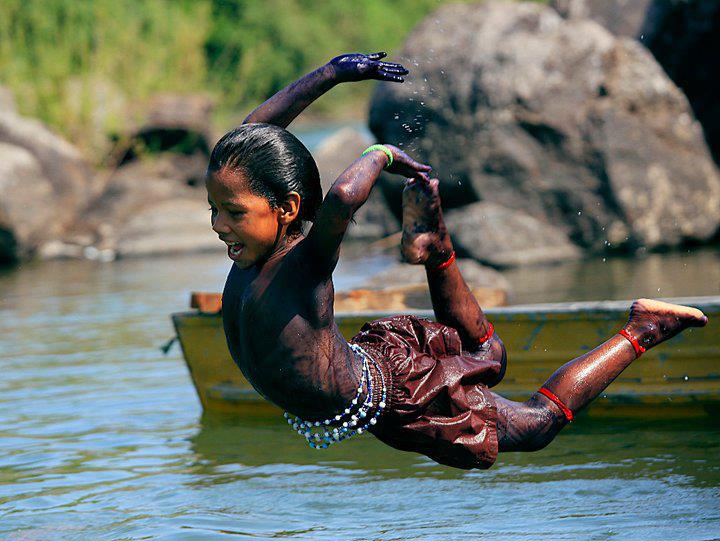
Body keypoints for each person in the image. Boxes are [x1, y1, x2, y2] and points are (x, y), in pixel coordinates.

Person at [206, 52, 709, 469]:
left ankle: (644, 328)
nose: (218, 225)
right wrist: (333, 74)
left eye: (232, 213)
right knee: (488, 358)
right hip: (370, 383)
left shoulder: (304, 266)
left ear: (287, 208)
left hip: (395, 397)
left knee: (534, 426)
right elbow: (251, 132)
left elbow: (341, 196)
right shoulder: (251, 252)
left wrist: (379, 154)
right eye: (214, 210)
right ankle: (435, 250)